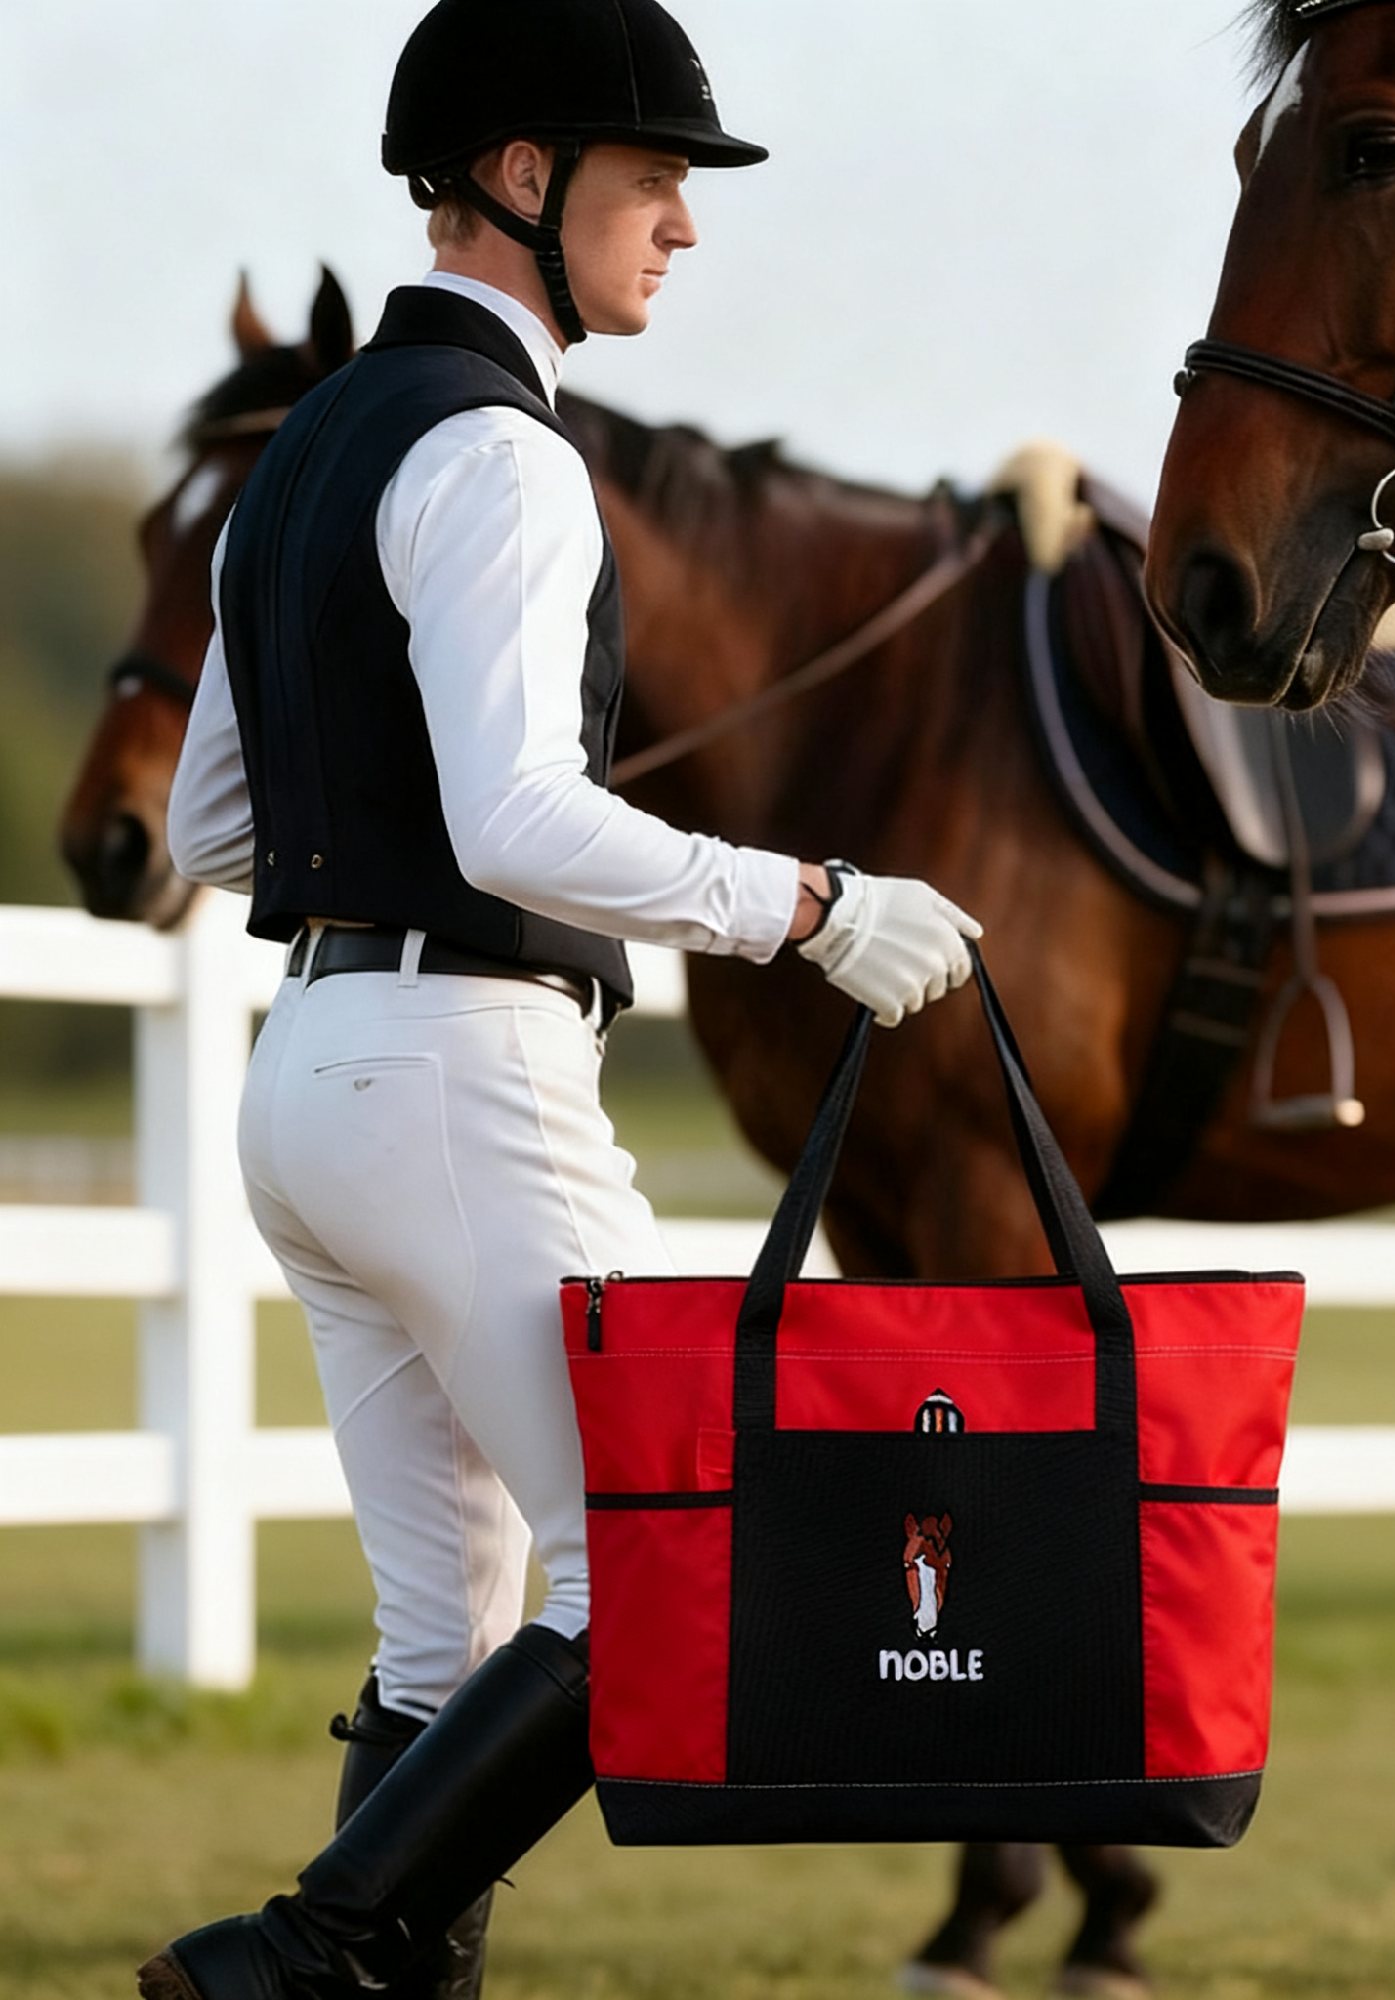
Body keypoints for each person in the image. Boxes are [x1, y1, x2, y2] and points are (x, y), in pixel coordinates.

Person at [139, 3, 980, 1995]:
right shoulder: (507, 455)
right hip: (458, 1074)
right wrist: (808, 902)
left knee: (446, 1644)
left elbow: (212, 819)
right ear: (524, 177)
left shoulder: (303, 451)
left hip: (311, 1076)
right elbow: (518, 817)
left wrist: (380, 846)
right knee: (681, 1550)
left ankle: (345, 1974)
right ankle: (301, 1956)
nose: (683, 222)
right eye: (653, 178)